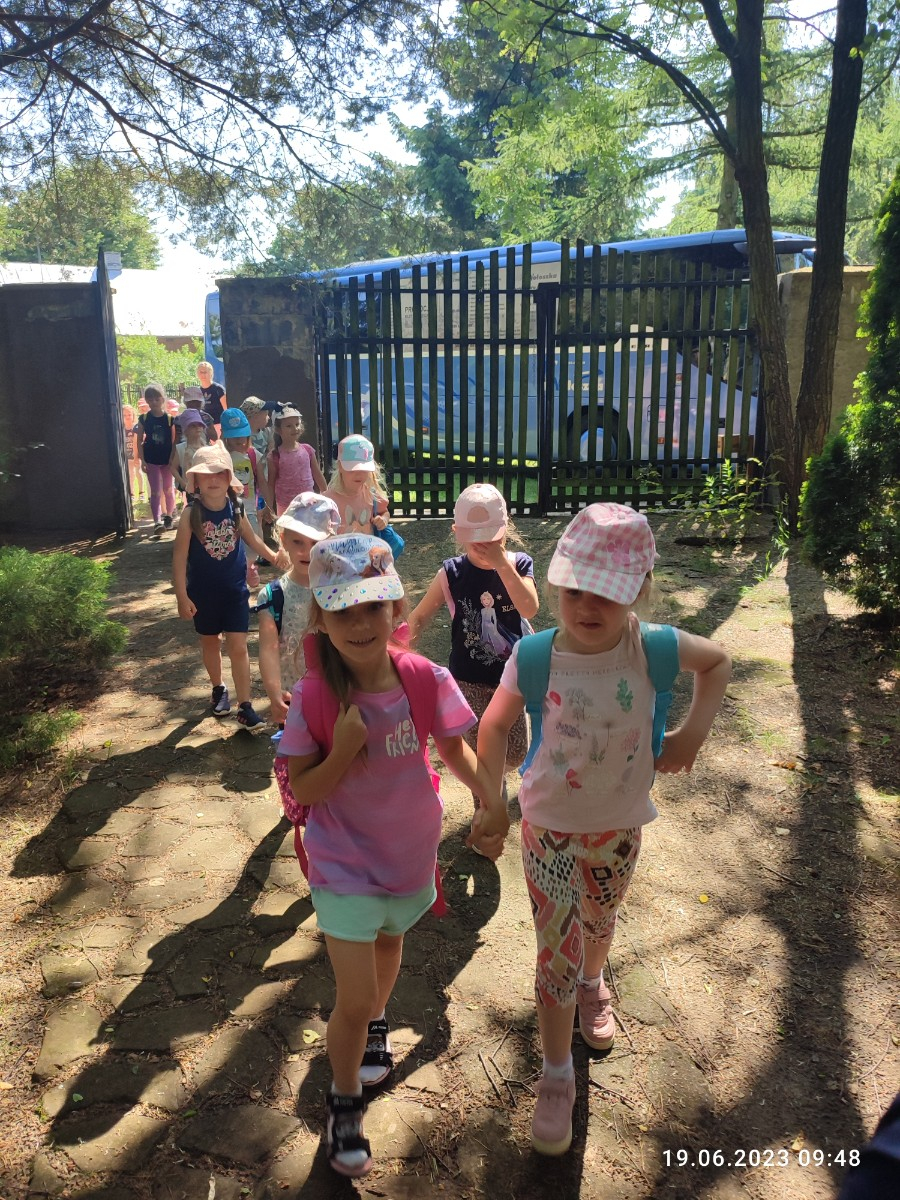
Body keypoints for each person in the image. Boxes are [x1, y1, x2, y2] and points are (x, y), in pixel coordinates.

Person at [475, 503, 731, 1157]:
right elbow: (493, 726)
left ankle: (594, 982)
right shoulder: (535, 655)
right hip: (548, 832)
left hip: (619, 829)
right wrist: (492, 801)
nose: (587, 606)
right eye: (574, 590)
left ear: (638, 590)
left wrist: (691, 735)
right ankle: (557, 1072)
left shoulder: (655, 649)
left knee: (600, 921)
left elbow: (717, 663)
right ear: (557, 582)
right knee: (553, 953)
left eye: (606, 594)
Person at [279, 534, 487, 1178]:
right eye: (342, 610)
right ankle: (344, 1102)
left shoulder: (425, 679)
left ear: (395, 607)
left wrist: (491, 797)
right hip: (343, 864)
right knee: (352, 994)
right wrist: (343, 750)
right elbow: (303, 790)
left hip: (408, 855)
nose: (360, 623)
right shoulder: (315, 696)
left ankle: (376, 1023)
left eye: (372, 606)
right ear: (321, 618)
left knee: (391, 944)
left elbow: (452, 749)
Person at [408, 483, 538, 811]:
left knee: (515, 752)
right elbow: (420, 616)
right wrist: (397, 650)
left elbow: (529, 607)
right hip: (467, 681)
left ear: (505, 528)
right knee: (479, 754)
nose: (484, 546)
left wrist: (502, 565)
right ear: (458, 533)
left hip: (511, 681)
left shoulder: (519, 564)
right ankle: (486, 809)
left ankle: (494, 778)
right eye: (474, 537)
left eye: (491, 537)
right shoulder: (451, 573)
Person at [172, 444, 286, 728]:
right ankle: (218, 688)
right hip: (202, 595)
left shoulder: (236, 508)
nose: (213, 480)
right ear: (196, 480)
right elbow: (179, 557)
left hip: (235, 592)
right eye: (206, 474)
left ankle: (245, 706)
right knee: (211, 643)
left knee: (239, 646)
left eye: (219, 473)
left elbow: (252, 539)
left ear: (229, 477)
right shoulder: (190, 514)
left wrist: (274, 557)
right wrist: (181, 596)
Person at [257, 492, 340, 724]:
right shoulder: (273, 596)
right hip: (293, 698)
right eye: (298, 542)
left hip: (337, 693)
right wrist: (274, 693)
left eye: (315, 543)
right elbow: (268, 649)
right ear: (283, 540)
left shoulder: (340, 589)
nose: (306, 551)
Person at [220, 407, 273, 589]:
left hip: (249, 509)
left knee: (253, 545)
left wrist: (268, 506)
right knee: (232, 547)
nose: (240, 440)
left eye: (243, 435)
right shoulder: (222, 457)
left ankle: (249, 567)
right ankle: (238, 577)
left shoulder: (253, 455)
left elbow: (262, 482)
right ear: (225, 436)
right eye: (234, 436)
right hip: (227, 510)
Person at [322, 434, 391, 536]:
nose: (358, 474)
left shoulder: (372, 495)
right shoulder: (326, 500)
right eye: (352, 469)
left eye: (363, 470)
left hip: (367, 546)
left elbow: (384, 512)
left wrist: (383, 519)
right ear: (340, 466)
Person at [267, 406, 327, 516]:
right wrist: (269, 507)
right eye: (289, 426)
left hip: (308, 504)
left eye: (297, 424)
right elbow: (271, 484)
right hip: (286, 507)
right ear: (278, 430)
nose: (295, 428)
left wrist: (327, 495)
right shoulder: (274, 456)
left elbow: (317, 474)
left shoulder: (307, 450)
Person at [137, 384, 177, 531]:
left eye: (157, 399)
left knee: (168, 489)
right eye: (150, 399)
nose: (154, 402)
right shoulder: (144, 418)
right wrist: (142, 460)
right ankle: (157, 521)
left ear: (162, 399)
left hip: (167, 460)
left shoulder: (170, 419)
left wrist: (172, 459)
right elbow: (139, 440)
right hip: (151, 459)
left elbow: (174, 441)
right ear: (147, 400)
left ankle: (169, 517)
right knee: (155, 491)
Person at [241, 397, 276, 551]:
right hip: (250, 481)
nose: (267, 418)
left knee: (260, 515)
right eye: (265, 414)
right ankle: (252, 546)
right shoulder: (244, 436)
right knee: (251, 515)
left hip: (262, 479)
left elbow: (271, 450)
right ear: (254, 416)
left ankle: (260, 547)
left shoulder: (265, 433)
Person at [170, 408, 210, 507]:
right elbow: (173, 468)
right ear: (186, 430)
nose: (197, 428)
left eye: (200, 425)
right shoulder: (181, 448)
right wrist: (182, 482)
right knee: (194, 510)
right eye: (193, 426)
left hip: (207, 487)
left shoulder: (207, 448)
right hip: (191, 489)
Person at [122, 405, 144, 501]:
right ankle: (132, 493)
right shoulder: (121, 428)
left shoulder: (136, 427)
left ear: (133, 415)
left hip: (137, 454)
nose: (127, 417)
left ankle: (141, 492)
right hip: (127, 455)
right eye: (125, 415)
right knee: (131, 474)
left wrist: (137, 456)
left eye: (129, 414)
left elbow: (138, 441)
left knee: (139, 473)